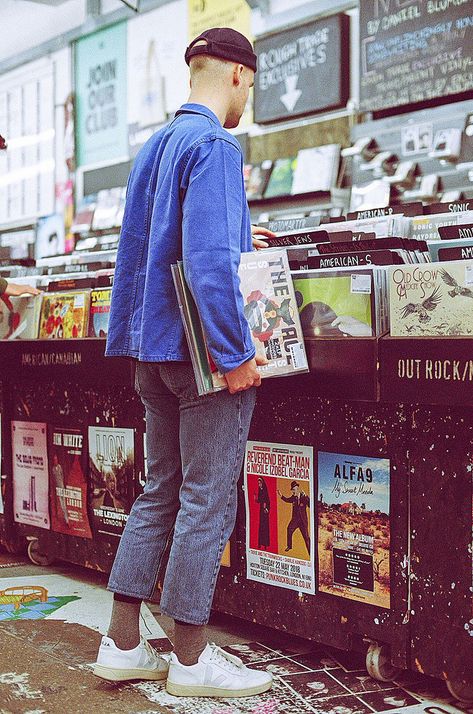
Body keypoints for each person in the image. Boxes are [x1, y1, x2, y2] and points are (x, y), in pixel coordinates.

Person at [93, 27, 274, 699]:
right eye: (249, 88)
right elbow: (204, 265)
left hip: (150, 349)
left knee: (158, 492)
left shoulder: (156, 147)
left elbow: (156, 248)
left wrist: (236, 234)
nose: (246, 101)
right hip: (202, 357)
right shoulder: (216, 145)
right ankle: (193, 661)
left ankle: (121, 644)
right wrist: (235, 355)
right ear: (234, 75)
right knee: (203, 500)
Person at [277, 481, 311, 555]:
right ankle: (289, 546)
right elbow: (287, 500)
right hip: (295, 520)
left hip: (302, 521)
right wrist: (281, 495)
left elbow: (310, 505)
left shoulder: (303, 497)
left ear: (297, 488)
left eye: (294, 489)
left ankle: (311, 552)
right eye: (292, 490)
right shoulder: (293, 497)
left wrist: (306, 496)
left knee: (306, 537)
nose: (293, 491)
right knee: (289, 529)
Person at [254, 476, 270, 549]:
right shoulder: (260, 490)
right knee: (261, 527)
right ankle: (260, 544)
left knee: (265, 527)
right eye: (258, 483)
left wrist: (266, 508)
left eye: (260, 483)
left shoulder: (265, 491)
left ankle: (265, 545)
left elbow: (268, 501)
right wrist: (255, 498)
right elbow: (259, 500)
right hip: (261, 511)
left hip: (265, 511)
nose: (259, 484)